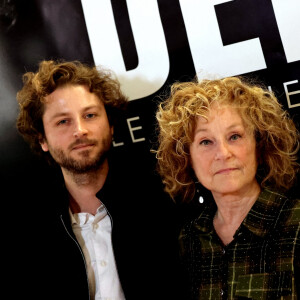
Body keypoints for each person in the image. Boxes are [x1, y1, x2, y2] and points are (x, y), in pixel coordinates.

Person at [15, 60, 182, 300]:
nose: (80, 130)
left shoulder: (161, 204)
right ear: (42, 139)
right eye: (63, 121)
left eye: (90, 115)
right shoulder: (28, 231)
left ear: (111, 125)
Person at [154, 76, 300, 299]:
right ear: (187, 158)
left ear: (259, 145)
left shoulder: (296, 222)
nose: (223, 153)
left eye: (234, 136)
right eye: (205, 141)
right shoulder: (188, 241)